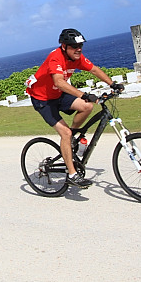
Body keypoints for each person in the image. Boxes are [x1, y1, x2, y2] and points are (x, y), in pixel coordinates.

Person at [25, 28, 122, 188]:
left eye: (80, 46)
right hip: (43, 99)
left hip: (58, 95)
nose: (78, 49)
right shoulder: (55, 58)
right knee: (65, 132)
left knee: (87, 106)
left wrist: (112, 84)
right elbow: (59, 82)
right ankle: (71, 174)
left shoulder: (76, 57)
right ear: (64, 46)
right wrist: (82, 93)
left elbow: (95, 69)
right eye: (74, 46)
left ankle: (72, 139)